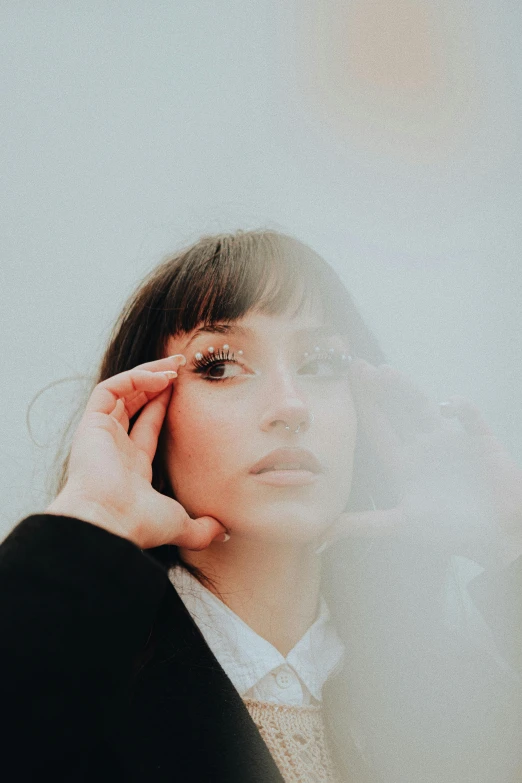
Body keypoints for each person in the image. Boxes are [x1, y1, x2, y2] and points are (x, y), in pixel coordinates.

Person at [1, 229, 521, 782]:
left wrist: (509, 546)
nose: (290, 406)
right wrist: (91, 519)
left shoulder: (459, 700)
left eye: (321, 364)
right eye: (221, 365)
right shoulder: (70, 686)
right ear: (146, 412)